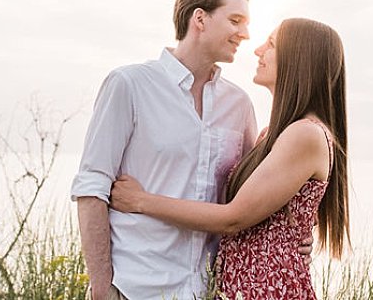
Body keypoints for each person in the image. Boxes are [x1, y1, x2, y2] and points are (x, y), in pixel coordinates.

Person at [110, 18, 349, 300]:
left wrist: (141, 201)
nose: (258, 50)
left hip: (270, 291)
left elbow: (233, 218)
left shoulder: (305, 135)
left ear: (299, 59)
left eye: (271, 45)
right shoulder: (272, 134)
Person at [70, 0, 259, 300]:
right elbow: (92, 188)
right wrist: (102, 289)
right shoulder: (129, 85)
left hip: (206, 291)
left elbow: (253, 197)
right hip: (134, 288)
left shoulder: (239, 105)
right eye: (235, 20)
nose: (245, 34)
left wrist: (295, 235)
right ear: (200, 18)